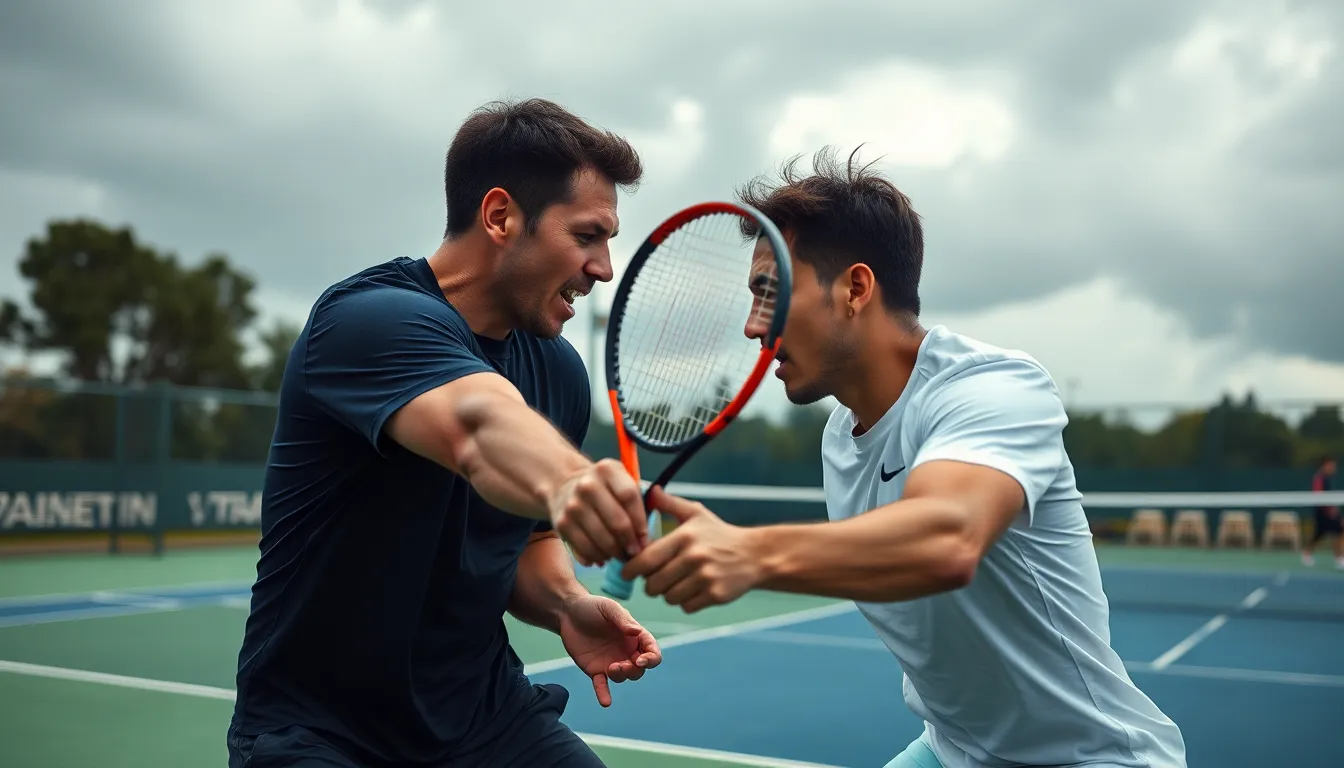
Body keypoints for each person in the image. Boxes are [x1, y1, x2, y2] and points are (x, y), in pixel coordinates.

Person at [620, 148, 1188, 768]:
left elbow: (947, 539)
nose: (754, 328)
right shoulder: (840, 437)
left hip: (1089, 757)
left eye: (771, 293)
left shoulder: (996, 388)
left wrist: (750, 553)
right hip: (953, 751)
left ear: (856, 289)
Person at [227, 98, 663, 768]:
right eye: (586, 236)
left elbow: (526, 546)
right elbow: (477, 426)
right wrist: (572, 479)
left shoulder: (559, 371)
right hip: (319, 733)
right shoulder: (366, 323)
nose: (603, 267)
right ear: (500, 217)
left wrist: (567, 604)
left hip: (485, 721)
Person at [1301, 456, 1341, 568]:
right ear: (1325, 465)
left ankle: (1339, 557)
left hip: (1330, 512)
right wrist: (1328, 509)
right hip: (1322, 512)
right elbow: (1318, 495)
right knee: (1319, 534)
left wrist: (1334, 509)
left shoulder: (1329, 479)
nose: (1333, 468)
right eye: (1331, 465)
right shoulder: (1319, 478)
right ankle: (1307, 553)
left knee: (1338, 532)